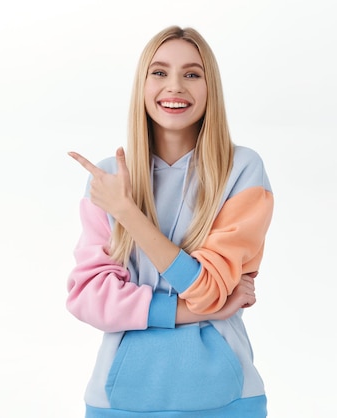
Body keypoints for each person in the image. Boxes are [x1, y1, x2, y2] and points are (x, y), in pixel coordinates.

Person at [66, 25, 274, 417]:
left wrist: (128, 213)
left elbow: (211, 288)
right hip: (121, 400)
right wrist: (199, 311)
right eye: (159, 72)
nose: (174, 86)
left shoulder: (242, 170)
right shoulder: (110, 179)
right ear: (142, 85)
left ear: (210, 87)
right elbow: (89, 298)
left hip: (227, 399)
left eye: (192, 74)